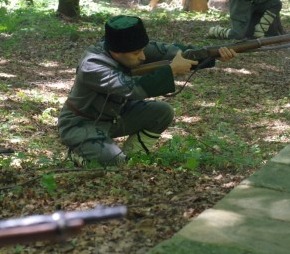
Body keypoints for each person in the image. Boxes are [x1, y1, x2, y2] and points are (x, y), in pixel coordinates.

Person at [58, 15, 236, 166]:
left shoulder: (127, 46)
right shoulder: (93, 65)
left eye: (143, 50)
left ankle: (132, 156)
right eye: (137, 53)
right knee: (115, 162)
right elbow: (134, 89)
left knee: (162, 112)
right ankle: (81, 154)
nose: (143, 56)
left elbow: (176, 52)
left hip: (116, 116)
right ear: (117, 53)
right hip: (82, 123)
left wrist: (213, 54)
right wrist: (171, 70)